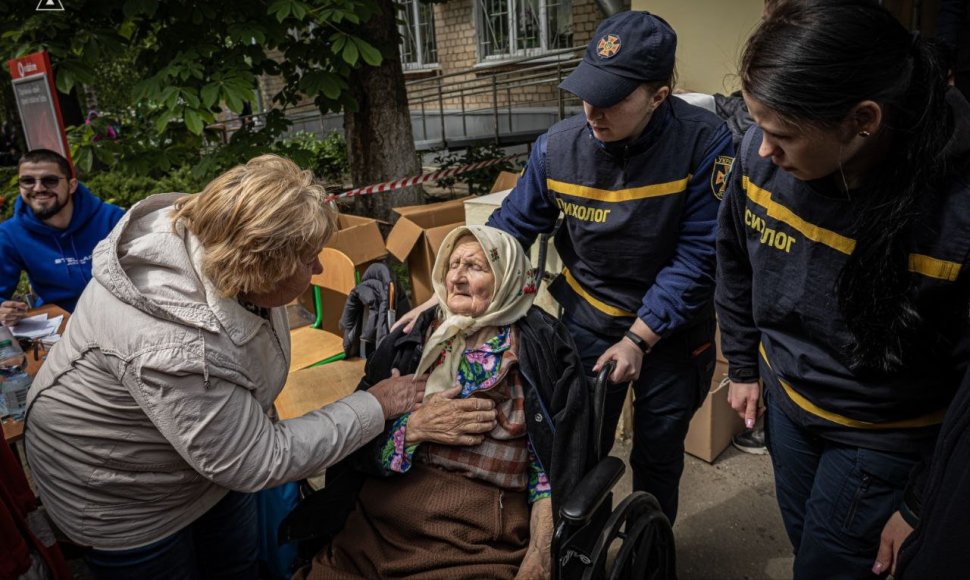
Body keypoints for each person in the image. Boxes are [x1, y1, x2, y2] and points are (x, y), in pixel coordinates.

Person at [22, 155, 427, 579]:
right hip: (120, 494)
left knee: (237, 566)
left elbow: (232, 427)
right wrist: (373, 407)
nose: (319, 268)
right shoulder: (173, 346)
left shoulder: (219, 251)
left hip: (199, 464)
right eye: (308, 258)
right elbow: (256, 458)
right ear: (262, 267)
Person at [716, 1, 970, 578]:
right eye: (757, 124)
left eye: (782, 134)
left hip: (882, 436)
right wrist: (745, 366)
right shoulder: (763, 162)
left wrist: (922, 498)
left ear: (863, 121)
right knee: (806, 537)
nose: (763, 151)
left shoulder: (954, 215)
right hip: (787, 401)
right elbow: (732, 258)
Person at [485, 10, 734, 524]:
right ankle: (581, 551)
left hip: (671, 332)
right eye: (586, 93)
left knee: (658, 455)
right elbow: (509, 228)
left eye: (613, 99)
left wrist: (640, 338)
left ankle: (651, 551)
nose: (593, 111)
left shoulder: (705, 145)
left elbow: (698, 258)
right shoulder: (557, 148)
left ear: (658, 96)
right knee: (575, 452)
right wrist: (456, 281)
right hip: (588, 320)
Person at [296, 226, 591, 579]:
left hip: (476, 534)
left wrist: (540, 554)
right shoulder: (411, 343)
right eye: (453, 265)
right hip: (384, 518)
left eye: (476, 267)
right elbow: (359, 449)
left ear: (508, 278)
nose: (458, 277)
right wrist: (414, 428)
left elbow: (551, 470)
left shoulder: (537, 351)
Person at [0, 149, 124, 323]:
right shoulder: (10, 234)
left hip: (120, 314)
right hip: (62, 323)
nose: (38, 188)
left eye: (49, 181)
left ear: (72, 185)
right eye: (27, 181)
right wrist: (2, 310)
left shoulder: (112, 218)